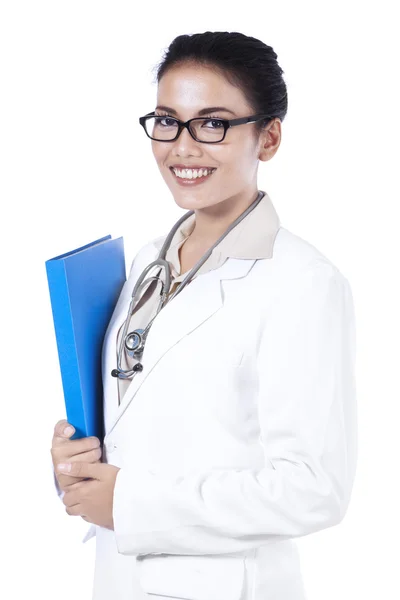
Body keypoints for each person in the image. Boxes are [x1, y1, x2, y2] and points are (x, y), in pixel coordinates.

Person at [51, 31, 357, 600]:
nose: (182, 147)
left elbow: (315, 489)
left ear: (268, 138)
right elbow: (144, 420)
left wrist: (130, 502)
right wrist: (78, 463)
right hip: (121, 579)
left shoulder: (303, 284)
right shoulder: (149, 260)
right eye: (167, 121)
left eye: (212, 122)